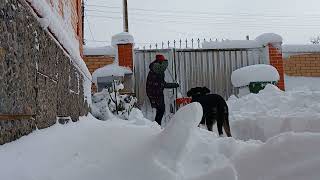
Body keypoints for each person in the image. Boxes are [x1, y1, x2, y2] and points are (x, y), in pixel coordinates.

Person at [146, 54, 179, 126]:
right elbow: (162, 84)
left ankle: (156, 126)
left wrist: (174, 85)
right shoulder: (157, 69)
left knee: (160, 110)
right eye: (163, 62)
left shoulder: (156, 70)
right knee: (161, 110)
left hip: (154, 92)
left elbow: (162, 84)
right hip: (155, 93)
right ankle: (156, 127)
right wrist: (165, 62)